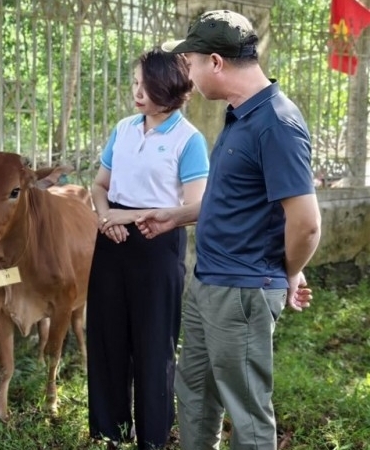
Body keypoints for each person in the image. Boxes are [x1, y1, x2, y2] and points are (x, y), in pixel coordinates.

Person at [136, 10, 321, 449]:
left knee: (246, 410)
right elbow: (236, 202)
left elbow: (308, 224)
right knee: (195, 394)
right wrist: (175, 216)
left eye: (193, 64)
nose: (190, 75)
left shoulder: (277, 122)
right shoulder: (241, 115)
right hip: (209, 283)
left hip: (242, 291)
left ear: (215, 62)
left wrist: (287, 271)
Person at [88, 48, 209, 449]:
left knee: (153, 345)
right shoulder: (124, 128)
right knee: (108, 339)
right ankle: (111, 431)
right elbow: (99, 186)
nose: (137, 92)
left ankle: (153, 438)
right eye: (135, 83)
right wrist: (107, 219)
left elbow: (196, 206)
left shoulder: (187, 139)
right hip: (112, 243)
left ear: (169, 87)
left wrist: (134, 217)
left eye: (146, 85)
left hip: (158, 246)